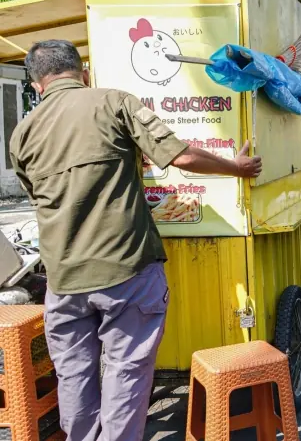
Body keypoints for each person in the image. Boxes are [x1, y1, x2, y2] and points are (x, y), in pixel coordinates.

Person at [9, 40, 262, 441]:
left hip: (62, 279)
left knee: (74, 379)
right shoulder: (114, 102)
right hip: (125, 269)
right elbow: (179, 156)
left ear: (37, 85)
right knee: (125, 376)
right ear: (83, 72)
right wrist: (237, 167)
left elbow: (39, 196)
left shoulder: (21, 134)